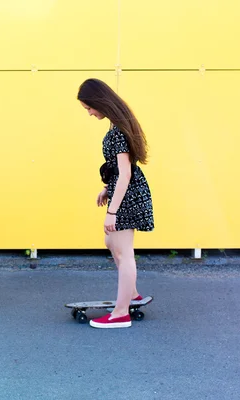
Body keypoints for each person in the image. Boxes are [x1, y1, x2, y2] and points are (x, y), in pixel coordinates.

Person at [77, 78, 154, 329]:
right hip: (127, 191)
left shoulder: (118, 132)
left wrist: (112, 211)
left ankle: (121, 313)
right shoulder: (118, 127)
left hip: (128, 195)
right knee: (112, 242)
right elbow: (123, 171)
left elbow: (125, 173)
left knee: (123, 251)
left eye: (89, 108)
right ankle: (131, 295)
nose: (89, 113)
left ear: (99, 102)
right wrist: (106, 189)